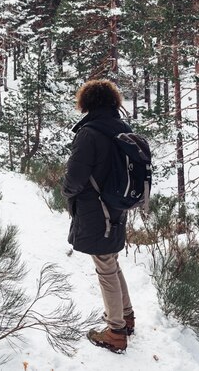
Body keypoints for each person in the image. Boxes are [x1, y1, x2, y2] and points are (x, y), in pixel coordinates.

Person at [62, 79, 135, 353]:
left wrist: (67, 193)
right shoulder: (121, 129)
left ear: (86, 103)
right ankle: (126, 317)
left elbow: (75, 178)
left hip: (96, 208)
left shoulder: (90, 133)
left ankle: (116, 331)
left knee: (105, 267)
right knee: (111, 262)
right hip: (117, 206)